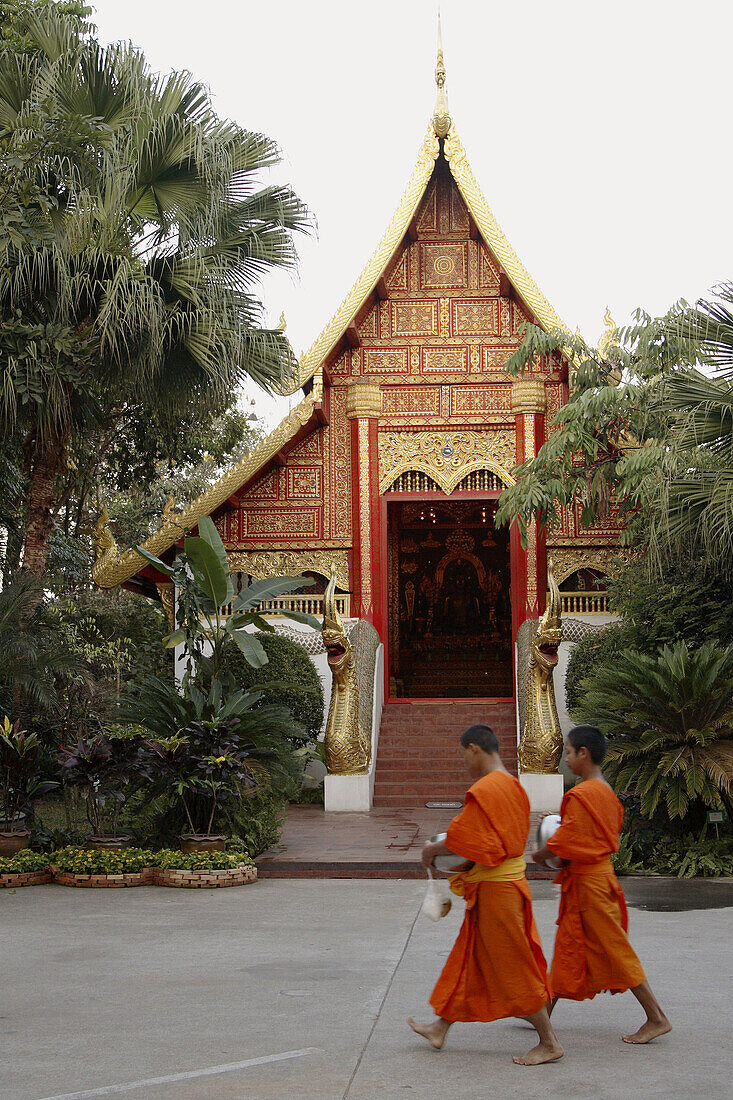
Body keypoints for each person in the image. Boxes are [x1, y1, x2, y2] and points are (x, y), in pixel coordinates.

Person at [408, 724, 563, 1066]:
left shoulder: (487, 788)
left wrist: (433, 849)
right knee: (471, 960)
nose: (463, 761)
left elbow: (466, 840)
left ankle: (549, 1042)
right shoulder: (514, 786)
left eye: (463, 753)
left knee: (512, 965)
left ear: (474, 748)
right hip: (505, 886)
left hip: (498, 891)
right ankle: (440, 1028)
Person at [533, 724, 671, 1044]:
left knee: (616, 951)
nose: (566, 759)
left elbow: (564, 842)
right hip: (595, 880)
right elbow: (583, 835)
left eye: (568, 752)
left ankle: (657, 1017)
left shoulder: (582, 794)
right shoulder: (605, 792)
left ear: (584, 753)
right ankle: (540, 1014)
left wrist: (540, 853)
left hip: (591, 885)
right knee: (568, 949)